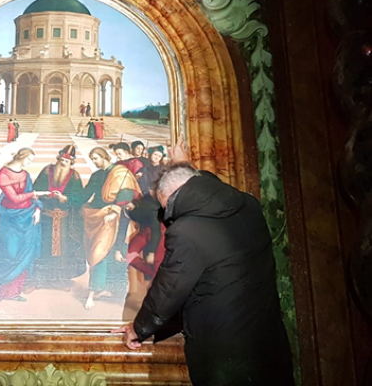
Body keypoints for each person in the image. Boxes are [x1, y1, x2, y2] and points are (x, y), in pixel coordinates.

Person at [113, 140, 294, 386]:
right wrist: (184, 165)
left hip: (227, 359)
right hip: (269, 347)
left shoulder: (187, 231)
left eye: (168, 208)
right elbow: (204, 189)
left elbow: (168, 290)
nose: (168, 217)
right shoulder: (248, 204)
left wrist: (138, 329)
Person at [0, 148, 50, 301]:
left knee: (25, 254)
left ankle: (14, 292)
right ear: (21, 157)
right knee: (10, 253)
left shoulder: (25, 174)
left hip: (28, 218)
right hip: (10, 220)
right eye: (28, 159)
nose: (29, 163)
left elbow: (30, 197)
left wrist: (38, 209)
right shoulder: (3, 174)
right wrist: (35, 194)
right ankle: (2, 291)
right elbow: (14, 198)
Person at [81, 147, 141, 310]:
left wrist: (115, 210)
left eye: (95, 158)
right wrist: (68, 199)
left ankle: (114, 293)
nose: (94, 161)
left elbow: (128, 193)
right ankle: (96, 289)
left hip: (118, 219)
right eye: (92, 159)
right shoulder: (96, 175)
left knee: (116, 255)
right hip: (99, 217)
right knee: (98, 254)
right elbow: (85, 195)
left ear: (104, 157)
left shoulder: (120, 172)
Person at [32, 145, 86, 290]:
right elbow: (36, 189)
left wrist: (66, 198)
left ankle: (60, 280)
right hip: (46, 217)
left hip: (64, 221)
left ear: (71, 163)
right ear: (58, 159)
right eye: (61, 160)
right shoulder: (47, 171)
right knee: (44, 247)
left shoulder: (74, 176)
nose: (63, 163)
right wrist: (44, 195)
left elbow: (79, 197)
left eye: (66, 162)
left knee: (63, 251)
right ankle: (41, 279)